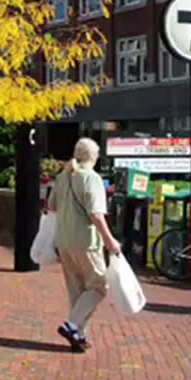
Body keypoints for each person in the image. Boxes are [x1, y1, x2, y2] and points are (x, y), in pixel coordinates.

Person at [50, 139, 121, 353]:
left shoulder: (63, 177)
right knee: (99, 286)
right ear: (94, 156)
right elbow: (96, 215)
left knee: (77, 290)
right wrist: (110, 241)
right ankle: (71, 325)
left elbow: (52, 206)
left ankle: (79, 334)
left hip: (64, 240)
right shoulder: (92, 178)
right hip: (87, 242)